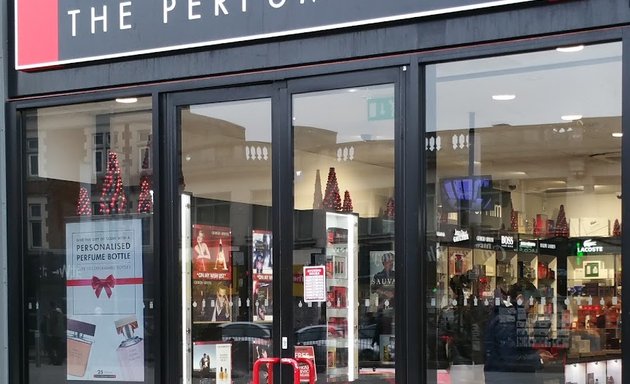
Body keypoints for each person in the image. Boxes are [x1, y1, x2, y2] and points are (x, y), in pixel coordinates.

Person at [484, 279, 554, 384]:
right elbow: (510, 358)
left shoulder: (509, 318)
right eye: (530, 304)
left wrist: (535, 354)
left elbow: (514, 351)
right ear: (520, 299)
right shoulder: (507, 320)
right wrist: (538, 359)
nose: (531, 309)